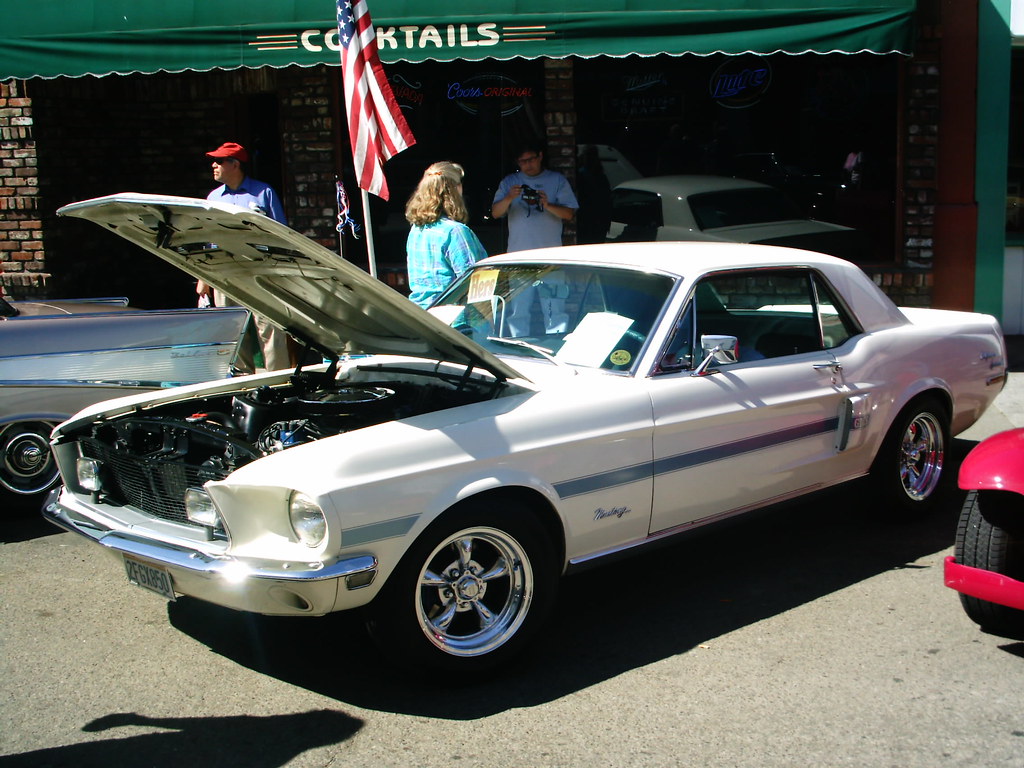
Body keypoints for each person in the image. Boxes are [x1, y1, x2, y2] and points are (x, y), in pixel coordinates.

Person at [196, 141, 293, 373]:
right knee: (231, 329)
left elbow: (281, 235)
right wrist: (204, 278)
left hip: (260, 271)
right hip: (225, 272)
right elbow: (209, 238)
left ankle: (277, 383)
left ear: (235, 164)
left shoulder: (263, 193)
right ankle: (244, 385)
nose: (214, 165)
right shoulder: (213, 197)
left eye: (219, 161)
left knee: (270, 327)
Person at [404, 161, 488, 310]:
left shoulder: (416, 230)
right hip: (456, 321)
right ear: (454, 190)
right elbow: (475, 282)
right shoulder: (455, 232)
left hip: (421, 314)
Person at [490, 140, 578, 252]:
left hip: (549, 253)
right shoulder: (509, 181)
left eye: (531, 160)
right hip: (518, 252)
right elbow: (495, 213)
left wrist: (548, 205)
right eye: (522, 161)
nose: (528, 165)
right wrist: (509, 198)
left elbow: (569, 214)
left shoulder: (557, 180)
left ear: (540, 156)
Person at [575, 144, 612, 244]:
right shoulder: (601, 176)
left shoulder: (582, 174)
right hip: (599, 220)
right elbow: (608, 201)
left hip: (586, 219)